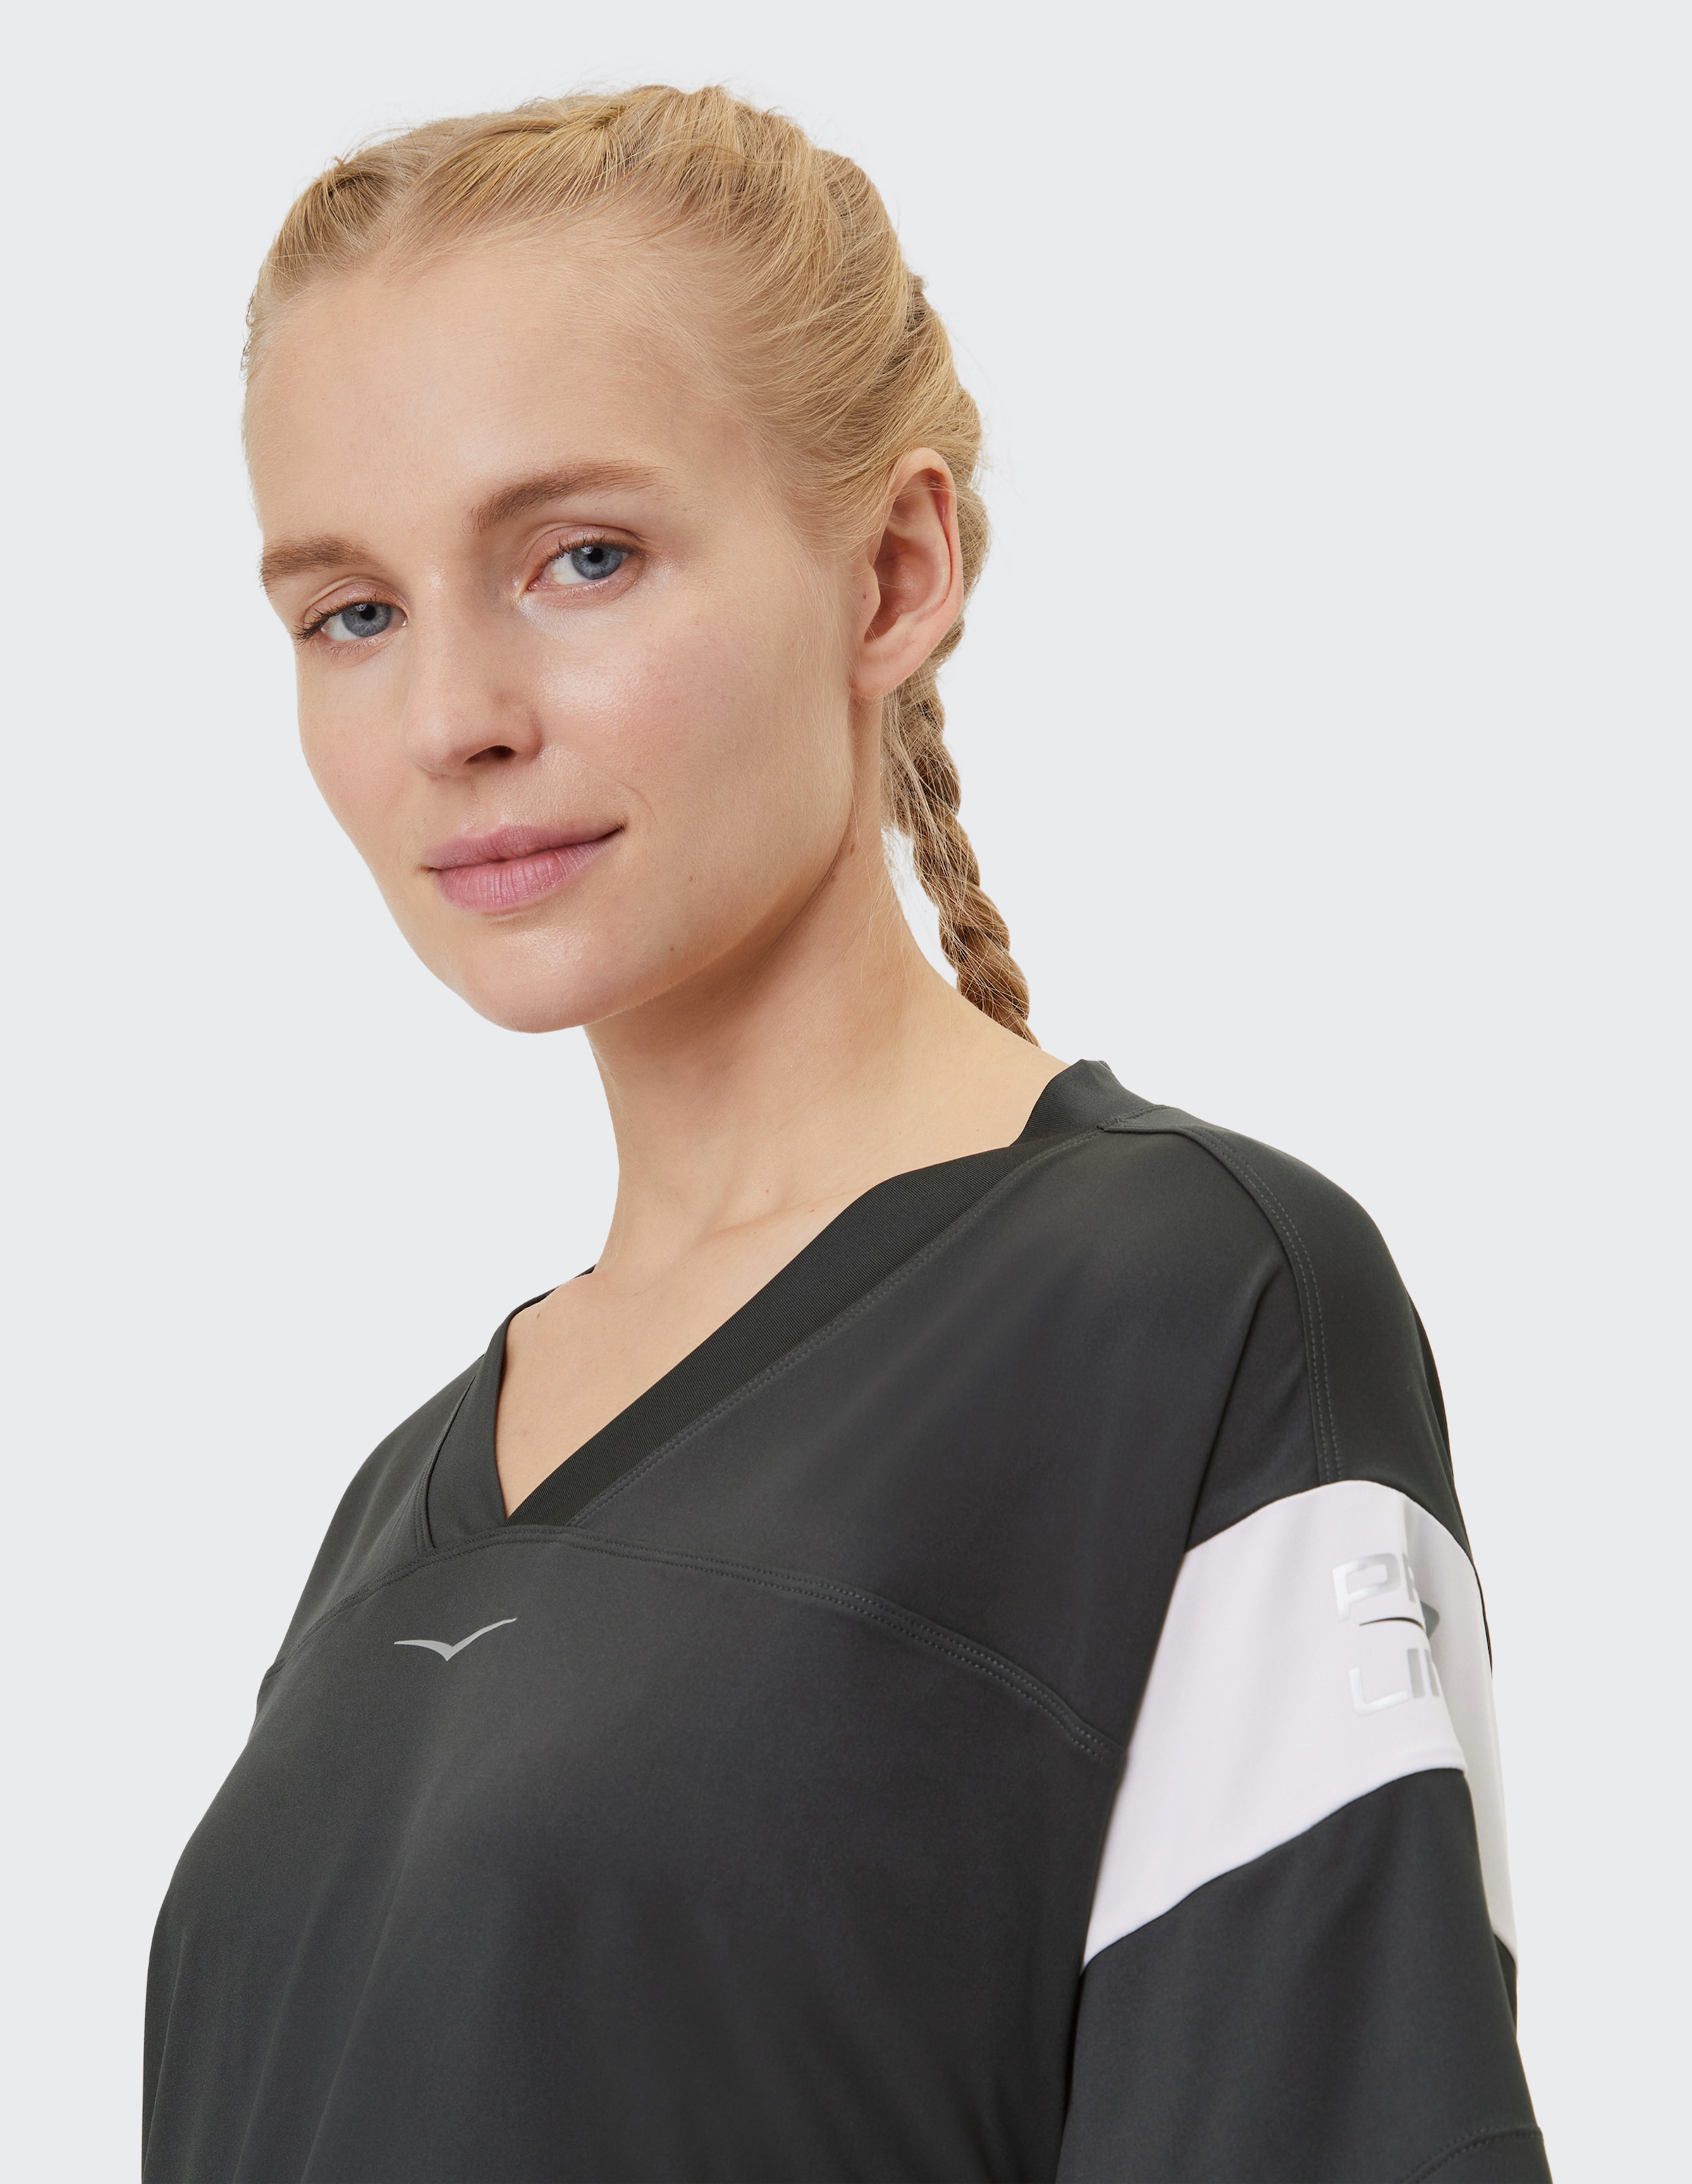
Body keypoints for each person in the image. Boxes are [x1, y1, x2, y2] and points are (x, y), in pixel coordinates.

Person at [143, 86, 1550, 2184]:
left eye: (583, 558)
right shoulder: (393, 1514)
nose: (451, 717)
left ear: (894, 573)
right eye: (353, 611)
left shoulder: (1183, 1310)